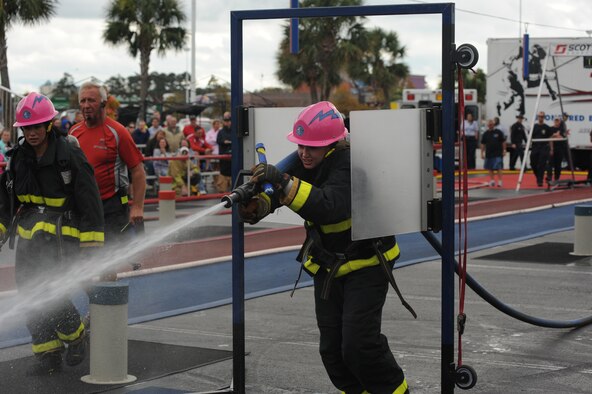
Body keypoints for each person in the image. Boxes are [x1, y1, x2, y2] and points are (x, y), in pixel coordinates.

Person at [238, 101, 410, 394]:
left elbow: (329, 206)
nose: (304, 152)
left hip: (367, 265)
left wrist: (281, 181)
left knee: (359, 346)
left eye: (311, 147)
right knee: (331, 351)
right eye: (301, 145)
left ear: (332, 143)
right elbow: (284, 192)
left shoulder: (350, 164)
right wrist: (258, 204)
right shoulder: (307, 160)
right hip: (329, 265)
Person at [0, 93, 104, 373]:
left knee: (50, 291)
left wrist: (91, 242)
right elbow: (6, 201)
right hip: (30, 241)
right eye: (26, 128)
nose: (31, 133)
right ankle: (48, 354)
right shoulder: (18, 159)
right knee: (28, 294)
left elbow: (89, 198)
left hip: (63, 238)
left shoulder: (68, 154)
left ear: (48, 126)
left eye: (36, 127)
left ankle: (76, 336)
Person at [70, 81, 146, 245]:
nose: (86, 105)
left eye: (91, 100)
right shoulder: (74, 132)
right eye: (83, 101)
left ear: (103, 103)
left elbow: (138, 171)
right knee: (85, 257)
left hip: (112, 207)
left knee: (110, 263)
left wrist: (137, 207)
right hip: (84, 206)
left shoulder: (118, 132)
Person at [480, 119, 506, 187]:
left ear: (493, 125)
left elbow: (503, 142)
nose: (490, 126)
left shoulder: (499, 132)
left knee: (499, 167)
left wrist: (504, 150)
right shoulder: (485, 134)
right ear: (487, 125)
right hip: (489, 153)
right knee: (490, 167)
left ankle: (500, 181)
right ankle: (492, 180)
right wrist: (481, 153)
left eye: (491, 124)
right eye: (489, 125)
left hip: (498, 153)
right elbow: (483, 144)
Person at [530, 112, 552, 187]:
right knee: (533, 164)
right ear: (538, 117)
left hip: (543, 147)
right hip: (535, 147)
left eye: (542, 117)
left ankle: (540, 180)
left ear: (544, 117)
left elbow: (550, 138)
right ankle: (538, 177)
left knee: (541, 164)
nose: (541, 118)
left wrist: (551, 148)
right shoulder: (534, 127)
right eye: (540, 116)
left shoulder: (547, 127)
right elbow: (530, 137)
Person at [216, 112, 232, 193]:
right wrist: (224, 142)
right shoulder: (221, 132)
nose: (227, 122)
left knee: (234, 189)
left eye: (229, 120)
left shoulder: (234, 130)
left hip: (232, 158)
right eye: (226, 121)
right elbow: (218, 141)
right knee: (222, 190)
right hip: (224, 158)